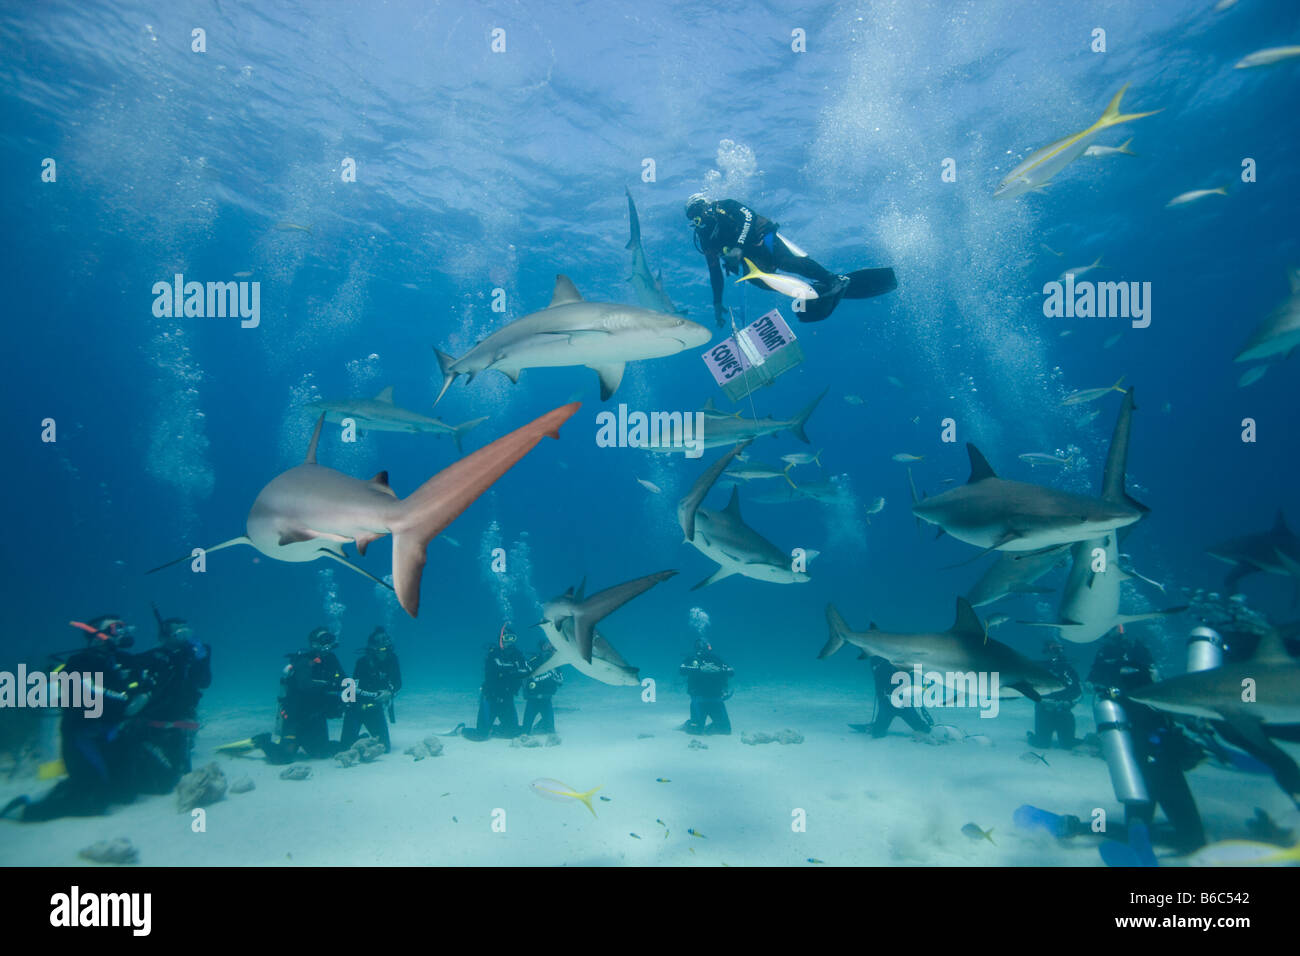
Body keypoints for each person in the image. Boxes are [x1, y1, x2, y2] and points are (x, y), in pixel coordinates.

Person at [4, 617, 150, 822]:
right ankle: (23, 810)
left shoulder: (123, 660)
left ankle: (74, 786)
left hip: (111, 735)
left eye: (125, 627)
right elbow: (98, 698)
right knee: (93, 801)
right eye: (117, 628)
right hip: (83, 737)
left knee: (125, 794)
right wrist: (127, 702)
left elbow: (138, 688)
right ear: (98, 635)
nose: (123, 632)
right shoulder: (80, 662)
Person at [1089, 632, 1206, 853]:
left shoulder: (1118, 696)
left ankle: (1084, 828)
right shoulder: (1150, 692)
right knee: (1194, 840)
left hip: (1133, 762)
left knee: (1137, 825)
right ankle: (1092, 829)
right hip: (1161, 761)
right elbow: (1167, 718)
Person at [686, 194, 848, 327]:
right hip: (751, 257)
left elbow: (749, 216)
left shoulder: (725, 205)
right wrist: (717, 302)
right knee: (758, 280)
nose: (698, 217)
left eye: (698, 210)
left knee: (786, 262)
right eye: (693, 216)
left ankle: (833, 279)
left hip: (762, 237)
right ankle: (811, 291)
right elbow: (714, 271)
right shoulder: (705, 238)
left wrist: (738, 246)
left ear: (706, 204)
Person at [130, 613, 212, 793]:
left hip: (182, 719)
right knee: (162, 782)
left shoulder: (195, 656)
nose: (185, 638)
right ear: (166, 636)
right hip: (155, 720)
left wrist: (202, 660)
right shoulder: (152, 658)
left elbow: (204, 682)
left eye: (187, 632)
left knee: (180, 773)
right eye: (179, 633)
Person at [251, 627, 346, 765]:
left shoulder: (331, 659)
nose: (327, 644)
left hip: (316, 716)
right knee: (284, 757)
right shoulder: (304, 660)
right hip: (295, 717)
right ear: (314, 644)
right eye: (323, 640)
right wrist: (330, 685)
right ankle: (263, 740)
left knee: (321, 752)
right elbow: (304, 685)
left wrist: (346, 701)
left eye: (329, 639)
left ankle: (343, 742)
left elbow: (345, 681)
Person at [462, 624, 530, 741]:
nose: (510, 642)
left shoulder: (518, 655)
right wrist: (516, 670)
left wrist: (515, 670)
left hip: (507, 698)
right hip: (490, 698)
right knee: (481, 735)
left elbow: (527, 671)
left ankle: (492, 728)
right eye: (507, 638)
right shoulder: (493, 654)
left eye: (512, 638)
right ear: (501, 640)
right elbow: (499, 667)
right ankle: (461, 729)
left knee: (513, 733)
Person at [340, 627, 402, 753]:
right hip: (355, 708)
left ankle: (364, 738)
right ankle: (360, 738)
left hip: (374, 708)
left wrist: (390, 692)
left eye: (385, 640)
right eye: (378, 642)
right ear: (372, 646)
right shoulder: (362, 662)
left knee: (385, 748)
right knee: (345, 748)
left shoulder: (393, 659)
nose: (382, 645)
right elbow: (353, 688)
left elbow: (398, 682)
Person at [862, 656, 933, 738]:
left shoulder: (904, 659)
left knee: (924, 729)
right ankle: (876, 725)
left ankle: (877, 725)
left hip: (903, 703)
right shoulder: (878, 660)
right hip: (886, 703)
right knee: (877, 733)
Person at [1028, 640, 1080, 749]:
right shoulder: (1040, 669)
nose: (1056, 652)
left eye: (1059, 648)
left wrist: (1069, 702)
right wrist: (1042, 701)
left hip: (1064, 710)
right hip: (1045, 709)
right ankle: (1032, 736)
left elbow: (1077, 691)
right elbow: (1031, 688)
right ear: (1047, 651)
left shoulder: (1069, 670)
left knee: (1068, 744)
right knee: (1041, 744)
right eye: (1053, 648)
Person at [679, 638, 733, 735]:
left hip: (716, 699)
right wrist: (698, 669)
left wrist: (719, 670)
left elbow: (731, 672)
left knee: (725, 730)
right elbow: (682, 670)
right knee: (696, 731)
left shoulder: (716, 659)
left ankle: (707, 728)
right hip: (698, 699)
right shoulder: (692, 659)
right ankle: (688, 725)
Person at [521, 640, 563, 735]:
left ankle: (542, 725)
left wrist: (552, 669)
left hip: (546, 700)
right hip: (532, 700)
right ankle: (540, 725)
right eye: (547, 646)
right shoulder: (533, 661)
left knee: (551, 731)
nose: (549, 648)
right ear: (542, 648)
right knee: (525, 731)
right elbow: (524, 679)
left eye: (551, 646)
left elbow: (560, 681)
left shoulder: (555, 663)